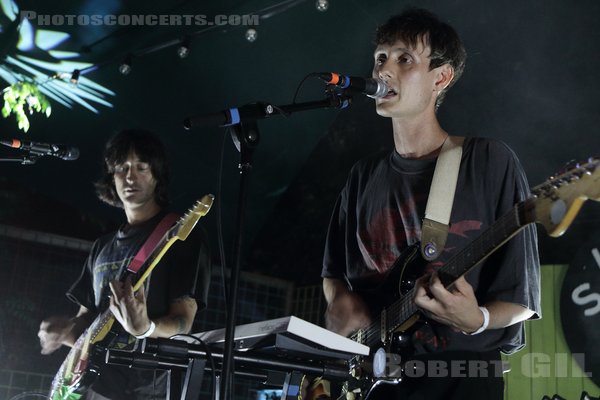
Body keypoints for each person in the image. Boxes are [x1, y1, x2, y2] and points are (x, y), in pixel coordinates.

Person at [321, 8, 541, 399]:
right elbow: (333, 273)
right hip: (375, 378)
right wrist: (341, 300)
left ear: (441, 78)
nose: (384, 70)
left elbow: (520, 296)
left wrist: (477, 319)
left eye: (404, 59)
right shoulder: (362, 176)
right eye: (380, 58)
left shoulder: (489, 161)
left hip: (459, 377)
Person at [38, 129, 211, 399]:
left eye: (141, 167)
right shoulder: (101, 247)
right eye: (122, 168)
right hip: (95, 387)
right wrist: (63, 331)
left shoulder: (179, 236)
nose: (130, 177)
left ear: (157, 175)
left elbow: (183, 321)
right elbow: (88, 320)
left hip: (150, 389)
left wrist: (146, 328)